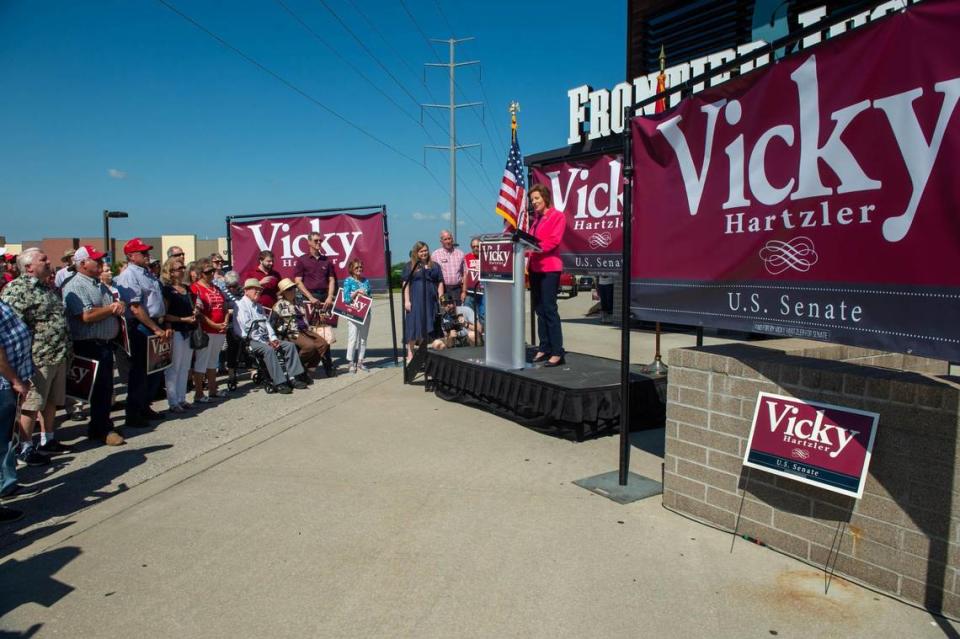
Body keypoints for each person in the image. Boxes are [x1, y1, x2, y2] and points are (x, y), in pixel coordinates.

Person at [1, 249, 73, 467]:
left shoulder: (47, 287)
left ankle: (47, 439)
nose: (49, 261)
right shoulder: (16, 290)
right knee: (31, 405)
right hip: (36, 358)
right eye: (43, 260)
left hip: (57, 354)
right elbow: (12, 328)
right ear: (29, 266)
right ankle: (25, 447)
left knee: (51, 401)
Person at [62, 247, 126, 446]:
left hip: (105, 343)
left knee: (105, 389)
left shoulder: (99, 284)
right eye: (95, 260)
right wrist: (111, 309)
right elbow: (85, 315)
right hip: (90, 344)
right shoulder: (75, 285)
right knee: (98, 389)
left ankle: (101, 425)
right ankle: (102, 429)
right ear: (82, 264)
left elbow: (110, 306)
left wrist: (117, 306)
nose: (101, 263)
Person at [115, 238, 171, 428]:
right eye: (143, 252)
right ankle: (134, 412)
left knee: (154, 370)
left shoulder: (148, 273)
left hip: (155, 322)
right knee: (140, 372)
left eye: (147, 252)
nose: (147, 255)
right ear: (131, 256)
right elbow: (136, 307)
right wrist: (155, 328)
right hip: (142, 326)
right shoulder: (130, 275)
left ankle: (145, 406)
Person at [236, 279, 306, 394]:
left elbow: (267, 324)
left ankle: (293, 377)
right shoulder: (241, 306)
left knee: (289, 346)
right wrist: (266, 342)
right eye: (255, 289)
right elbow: (249, 329)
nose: (258, 291)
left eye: (259, 290)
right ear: (246, 291)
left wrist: (273, 338)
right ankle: (279, 382)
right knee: (269, 350)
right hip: (250, 340)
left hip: (264, 338)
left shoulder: (258, 306)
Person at [0, 299, 35, 521]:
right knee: (1, 443)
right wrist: (15, 380)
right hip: (3, 384)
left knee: (5, 442)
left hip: (9, 382)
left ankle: (7, 485)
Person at [527, 183, 568, 367]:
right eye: (532, 200)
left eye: (536, 198)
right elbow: (529, 241)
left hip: (550, 269)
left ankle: (557, 351)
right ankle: (544, 347)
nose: (534, 202)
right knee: (539, 310)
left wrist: (533, 248)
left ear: (545, 197)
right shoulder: (535, 220)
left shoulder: (557, 216)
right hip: (535, 269)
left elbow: (553, 241)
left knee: (549, 310)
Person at [160, 258, 197, 413]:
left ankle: (182, 398)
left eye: (183, 267)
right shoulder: (167, 290)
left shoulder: (187, 288)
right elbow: (164, 314)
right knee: (174, 367)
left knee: (185, 367)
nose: (182, 270)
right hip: (176, 331)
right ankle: (173, 401)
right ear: (171, 272)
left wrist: (194, 313)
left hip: (188, 330)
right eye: (179, 268)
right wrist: (183, 319)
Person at [190, 258, 229, 403]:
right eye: (208, 272)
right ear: (200, 273)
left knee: (213, 361)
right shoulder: (196, 288)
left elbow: (224, 306)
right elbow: (198, 312)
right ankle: (199, 393)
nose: (212, 274)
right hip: (206, 330)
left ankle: (213, 389)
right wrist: (213, 324)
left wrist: (225, 321)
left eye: (212, 271)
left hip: (220, 329)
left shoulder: (216, 288)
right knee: (201, 361)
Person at [272, 278, 327, 379]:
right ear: (284, 292)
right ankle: (297, 367)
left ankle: (309, 369)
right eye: (289, 289)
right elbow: (272, 323)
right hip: (291, 332)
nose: (292, 290)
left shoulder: (299, 300)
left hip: (305, 329)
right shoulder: (278, 305)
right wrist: (278, 333)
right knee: (309, 346)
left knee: (323, 344)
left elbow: (304, 315)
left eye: (293, 287)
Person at [402, 241, 443, 361]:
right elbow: (406, 283)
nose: (424, 253)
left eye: (425, 250)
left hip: (430, 300)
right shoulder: (410, 265)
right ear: (416, 252)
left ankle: (425, 351)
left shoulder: (434, 265)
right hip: (415, 300)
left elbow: (440, 281)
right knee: (413, 324)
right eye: (421, 251)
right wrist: (407, 301)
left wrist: (440, 296)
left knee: (429, 323)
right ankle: (410, 352)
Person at [341, 258, 371, 373]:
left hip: (365, 313)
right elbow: (346, 299)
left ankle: (360, 361)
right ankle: (350, 362)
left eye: (360, 267)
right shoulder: (348, 281)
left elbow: (370, 297)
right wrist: (356, 293)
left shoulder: (366, 281)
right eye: (356, 268)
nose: (359, 269)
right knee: (353, 338)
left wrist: (365, 294)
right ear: (352, 270)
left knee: (363, 339)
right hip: (353, 313)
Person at [293, 232, 336, 310]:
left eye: (320, 240)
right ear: (309, 242)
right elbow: (298, 281)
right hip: (309, 298)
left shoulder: (326, 260)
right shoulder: (302, 260)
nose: (319, 242)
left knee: (326, 322)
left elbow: (331, 280)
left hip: (325, 298)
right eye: (316, 240)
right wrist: (310, 298)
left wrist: (330, 297)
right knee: (310, 322)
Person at [432, 230, 465, 304]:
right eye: (445, 239)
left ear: (452, 239)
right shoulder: (435, 255)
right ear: (441, 241)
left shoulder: (460, 254)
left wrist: (463, 291)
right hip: (443, 290)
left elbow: (464, 274)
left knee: (457, 312)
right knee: (445, 312)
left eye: (449, 238)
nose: (448, 241)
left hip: (457, 289)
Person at [461, 236, 485, 328]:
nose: (476, 248)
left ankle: (483, 337)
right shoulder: (466, 257)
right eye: (473, 246)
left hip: (483, 292)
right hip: (470, 292)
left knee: (483, 315)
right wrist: (463, 291)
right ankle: (471, 336)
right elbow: (465, 275)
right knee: (468, 314)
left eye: (478, 246)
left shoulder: (486, 257)